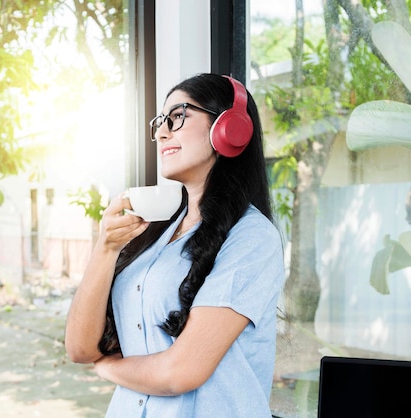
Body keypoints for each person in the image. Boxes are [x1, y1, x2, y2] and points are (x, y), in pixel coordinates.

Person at [65, 73, 285, 417]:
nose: (162, 132)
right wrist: (105, 248)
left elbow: (181, 372)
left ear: (230, 128)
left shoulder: (252, 239)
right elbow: (80, 348)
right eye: (160, 122)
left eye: (178, 116)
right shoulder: (155, 231)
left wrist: (107, 368)